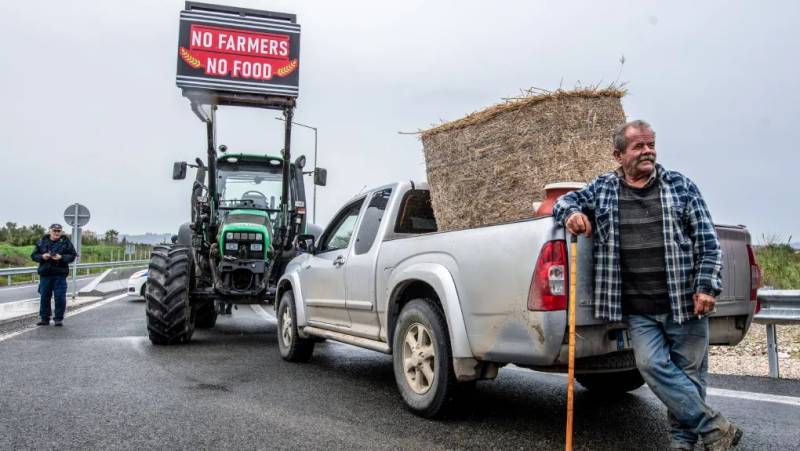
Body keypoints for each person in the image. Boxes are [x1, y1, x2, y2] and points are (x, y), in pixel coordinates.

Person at [552, 120, 742, 451]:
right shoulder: (604, 188)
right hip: (638, 310)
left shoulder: (680, 186)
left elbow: (708, 243)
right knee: (652, 366)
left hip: (684, 303)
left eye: (651, 145)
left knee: (689, 376)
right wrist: (571, 215)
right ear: (618, 154)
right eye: (639, 146)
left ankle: (683, 443)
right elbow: (564, 202)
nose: (648, 152)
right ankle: (714, 427)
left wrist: (707, 287)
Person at [31, 224, 77, 327]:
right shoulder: (42, 241)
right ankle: (44, 318)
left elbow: (72, 255)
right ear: (50, 231)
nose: (57, 233)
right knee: (44, 297)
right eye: (55, 230)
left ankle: (58, 319)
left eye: (59, 231)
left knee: (60, 297)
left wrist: (61, 257)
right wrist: (43, 256)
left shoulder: (66, 242)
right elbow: (34, 255)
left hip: (60, 274)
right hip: (45, 274)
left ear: (61, 232)